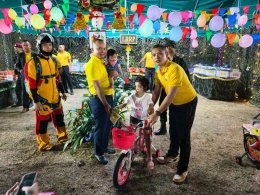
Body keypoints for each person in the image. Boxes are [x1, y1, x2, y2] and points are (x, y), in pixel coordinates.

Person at [149, 44, 197, 184]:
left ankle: (183, 169)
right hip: (176, 103)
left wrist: (157, 113)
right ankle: (172, 154)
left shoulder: (174, 69)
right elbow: (157, 91)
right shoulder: (158, 71)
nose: (156, 56)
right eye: (153, 54)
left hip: (187, 102)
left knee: (183, 135)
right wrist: (150, 105)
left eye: (160, 54)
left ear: (167, 55)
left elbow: (170, 95)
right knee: (173, 129)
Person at [27, 33, 68, 151]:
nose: (48, 47)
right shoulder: (34, 63)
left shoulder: (54, 60)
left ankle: (63, 137)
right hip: (42, 97)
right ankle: (44, 143)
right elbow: (32, 84)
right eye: (45, 45)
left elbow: (57, 78)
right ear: (40, 46)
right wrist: (35, 101)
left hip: (55, 96)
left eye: (50, 45)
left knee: (59, 117)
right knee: (43, 121)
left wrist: (62, 92)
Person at [85, 39, 115, 165]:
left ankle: (104, 147)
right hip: (99, 99)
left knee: (107, 124)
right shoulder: (92, 64)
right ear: (93, 49)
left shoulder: (102, 62)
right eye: (99, 48)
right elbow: (97, 88)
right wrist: (106, 104)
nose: (102, 51)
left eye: (104, 48)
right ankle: (98, 153)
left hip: (107, 96)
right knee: (100, 126)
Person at [117, 76, 154, 170]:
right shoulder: (132, 96)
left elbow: (151, 106)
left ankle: (149, 157)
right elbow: (125, 103)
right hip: (133, 118)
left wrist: (151, 112)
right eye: (136, 86)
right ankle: (132, 150)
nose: (136, 88)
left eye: (139, 87)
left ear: (144, 87)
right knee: (132, 135)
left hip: (143, 119)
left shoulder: (147, 97)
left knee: (147, 137)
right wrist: (119, 106)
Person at [155, 42, 191, 136]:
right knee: (162, 105)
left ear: (174, 49)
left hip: (178, 90)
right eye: (167, 47)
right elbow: (157, 85)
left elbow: (186, 75)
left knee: (174, 111)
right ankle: (163, 127)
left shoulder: (179, 61)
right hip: (166, 88)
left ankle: (174, 131)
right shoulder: (161, 61)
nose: (169, 49)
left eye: (171, 47)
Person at [14, 40, 37, 112]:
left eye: (27, 45)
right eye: (24, 45)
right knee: (25, 91)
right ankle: (25, 107)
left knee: (35, 90)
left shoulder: (35, 54)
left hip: (34, 75)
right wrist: (20, 70)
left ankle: (36, 105)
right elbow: (17, 65)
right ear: (22, 47)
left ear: (30, 46)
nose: (25, 47)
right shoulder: (20, 55)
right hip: (24, 75)